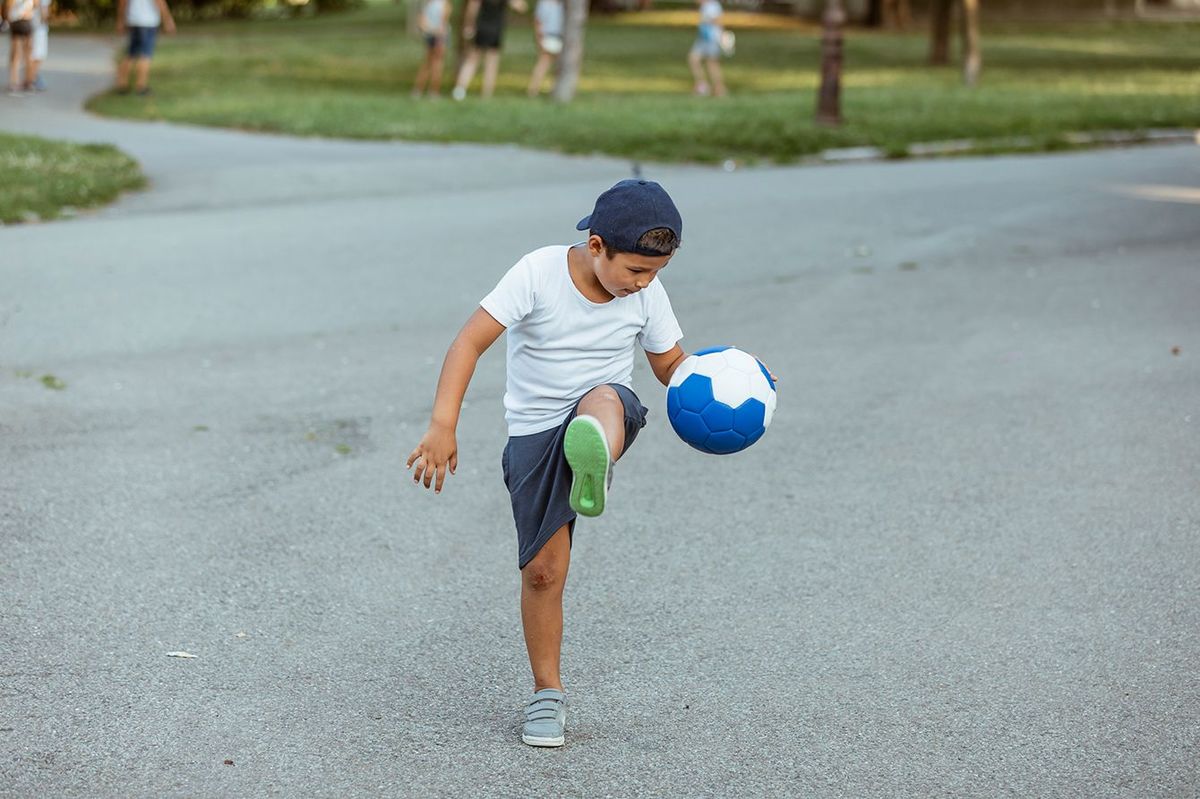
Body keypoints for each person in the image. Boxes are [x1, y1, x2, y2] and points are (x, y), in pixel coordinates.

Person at [407, 179, 690, 747]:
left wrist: (730, 380)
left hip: (605, 410)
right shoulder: (537, 273)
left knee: (606, 398)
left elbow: (671, 366)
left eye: (655, 273)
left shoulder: (645, 295)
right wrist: (443, 423)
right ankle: (547, 695)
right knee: (543, 573)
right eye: (635, 270)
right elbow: (470, 342)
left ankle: (595, 456)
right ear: (596, 247)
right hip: (535, 435)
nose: (644, 283)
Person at [450, 0, 526, 100]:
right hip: (495, 29)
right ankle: (487, 94)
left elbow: (472, 8)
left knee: (472, 60)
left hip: (481, 26)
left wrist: (469, 24)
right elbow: (521, 7)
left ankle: (459, 90)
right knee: (491, 62)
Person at [114, 0, 175, 97]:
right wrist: (167, 19)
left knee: (131, 53)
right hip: (148, 22)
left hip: (133, 21)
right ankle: (141, 86)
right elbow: (159, 2)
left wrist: (120, 20)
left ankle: (122, 84)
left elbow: (123, 2)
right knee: (146, 55)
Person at [687, 0, 726, 97]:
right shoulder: (705, 6)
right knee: (694, 59)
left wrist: (721, 37)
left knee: (712, 64)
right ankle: (703, 85)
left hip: (711, 38)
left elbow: (718, 21)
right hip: (703, 38)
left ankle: (719, 89)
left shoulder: (712, 5)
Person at [411, 0, 450, 98]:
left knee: (427, 64)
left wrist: (429, 30)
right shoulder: (444, 3)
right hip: (439, 37)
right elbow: (443, 23)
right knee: (437, 65)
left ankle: (417, 91)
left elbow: (421, 22)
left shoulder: (429, 3)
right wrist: (439, 36)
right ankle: (434, 92)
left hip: (430, 35)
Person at [526, 0, 562, 97]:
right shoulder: (544, 3)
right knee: (543, 63)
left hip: (559, 37)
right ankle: (533, 90)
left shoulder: (561, 4)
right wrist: (539, 39)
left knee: (559, 66)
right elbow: (538, 22)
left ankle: (555, 88)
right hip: (548, 36)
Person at [4, 0, 35, 95]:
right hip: (23, 21)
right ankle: (26, 81)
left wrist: (8, 20)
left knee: (19, 54)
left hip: (19, 22)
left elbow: (8, 8)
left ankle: (18, 81)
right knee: (24, 54)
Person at [28, 0, 47, 91]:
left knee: (33, 54)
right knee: (37, 55)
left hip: (31, 26)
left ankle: (32, 79)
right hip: (38, 28)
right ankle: (32, 80)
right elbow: (43, 12)